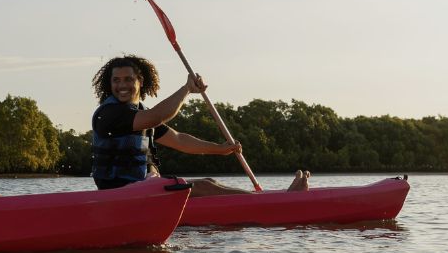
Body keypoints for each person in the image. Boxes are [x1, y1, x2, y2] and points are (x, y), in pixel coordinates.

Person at [89, 55, 310, 196]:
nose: (122, 85)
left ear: (140, 82)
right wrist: (187, 89)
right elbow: (158, 116)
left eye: (128, 79)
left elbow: (179, 140)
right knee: (205, 187)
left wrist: (220, 149)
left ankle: (268, 198)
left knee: (208, 182)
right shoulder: (109, 115)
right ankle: (275, 200)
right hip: (119, 193)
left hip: (142, 188)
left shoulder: (139, 113)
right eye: (116, 80)